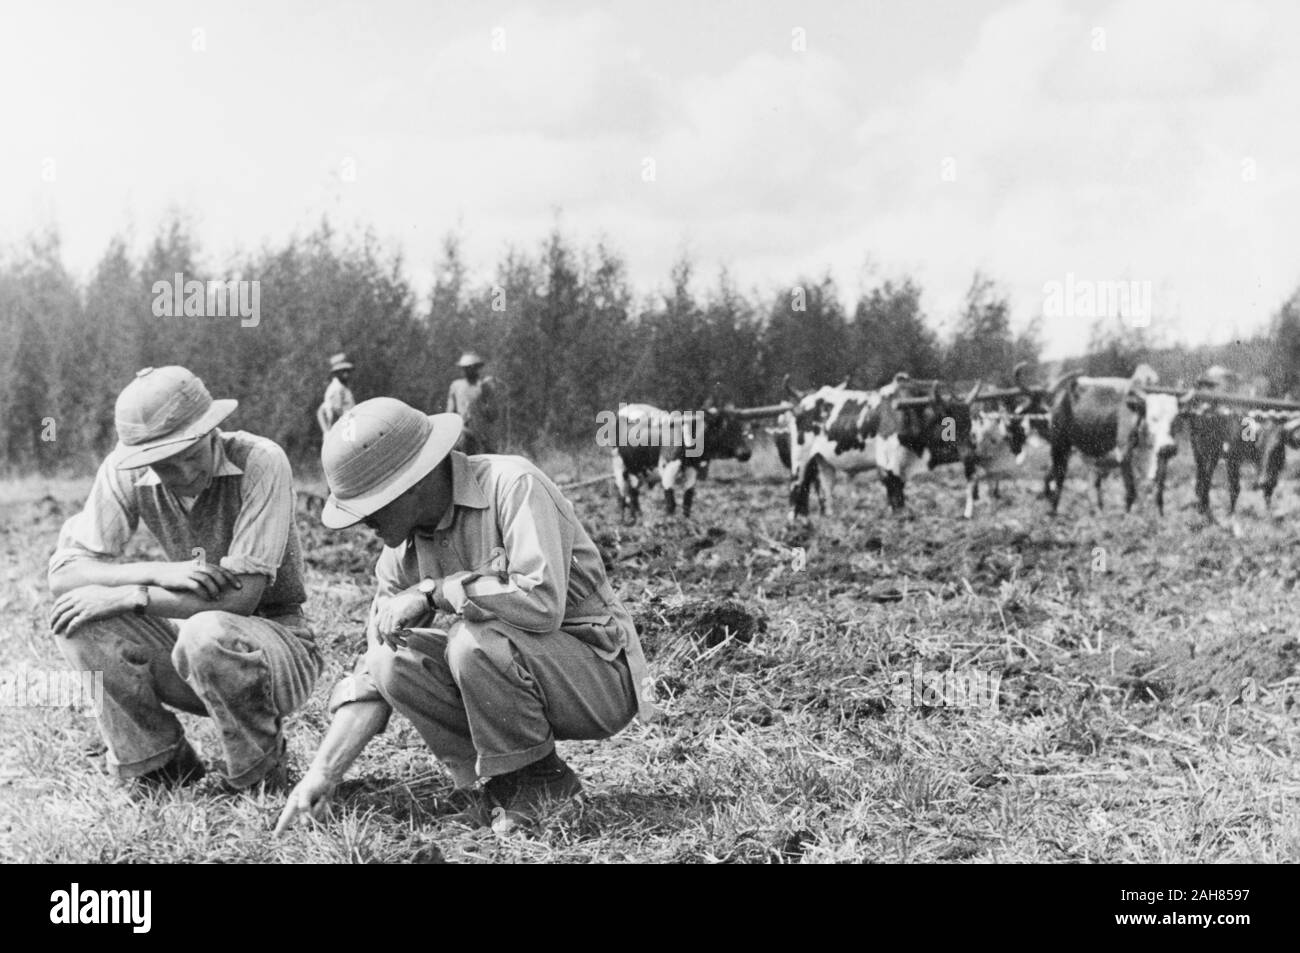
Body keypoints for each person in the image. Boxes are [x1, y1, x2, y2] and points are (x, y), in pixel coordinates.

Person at [275, 397, 655, 833]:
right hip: (516, 672)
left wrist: (437, 592)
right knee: (390, 658)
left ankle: (543, 780)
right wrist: (322, 774)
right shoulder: (400, 549)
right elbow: (373, 672)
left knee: (472, 639)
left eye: (370, 505)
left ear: (412, 482)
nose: (364, 523)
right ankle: (502, 782)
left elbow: (542, 604)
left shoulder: (513, 484)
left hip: (599, 677)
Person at [48, 366, 322, 792]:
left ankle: (260, 773)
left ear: (214, 429)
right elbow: (65, 573)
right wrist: (156, 572)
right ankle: (160, 764)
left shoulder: (261, 461)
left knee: (206, 631)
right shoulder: (127, 468)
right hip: (192, 655)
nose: (184, 474)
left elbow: (240, 600)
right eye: (164, 465)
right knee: (78, 618)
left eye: (192, 454)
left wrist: (132, 597)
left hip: (276, 650)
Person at [445, 351, 499, 452]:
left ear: (477, 368)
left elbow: (493, 414)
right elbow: (450, 413)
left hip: (482, 435)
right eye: (465, 368)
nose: (468, 370)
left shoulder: (484, 386)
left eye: (471, 367)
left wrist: (488, 393)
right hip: (463, 433)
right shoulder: (456, 386)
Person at [317, 352, 356, 435]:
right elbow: (335, 411)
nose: (346, 374)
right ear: (336, 373)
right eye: (342, 371)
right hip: (342, 431)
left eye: (347, 371)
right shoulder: (337, 389)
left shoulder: (342, 387)